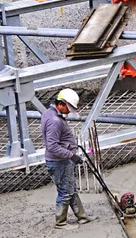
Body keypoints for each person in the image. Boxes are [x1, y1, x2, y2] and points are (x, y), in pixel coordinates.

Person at [41, 88, 96, 228]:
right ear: (61, 103)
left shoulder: (49, 113)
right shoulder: (55, 121)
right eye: (68, 108)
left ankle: (82, 217)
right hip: (59, 162)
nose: (69, 111)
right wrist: (71, 155)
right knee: (65, 192)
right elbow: (52, 146)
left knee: (71, 189)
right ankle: (61, 222)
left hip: (62, 160)